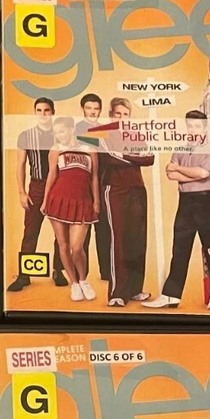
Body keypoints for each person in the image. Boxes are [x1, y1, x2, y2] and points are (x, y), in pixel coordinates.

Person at [144, 109, 210, 310]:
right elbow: (170, 174)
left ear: (204, 128)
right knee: (179, 250)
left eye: (197, 126)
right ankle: (171, 296)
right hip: (185, 202)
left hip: (207, 202)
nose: (193, 129)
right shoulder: (180, 147)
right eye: (190, 126)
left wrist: (181, 169)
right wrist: (192, 174)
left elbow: (204, 173)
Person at [9, 97, 68, 292]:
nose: (43, 114)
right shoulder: (26, 136)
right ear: (35, 112)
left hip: (60, 185)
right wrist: (22, 192)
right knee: (31, 230)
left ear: (53, 112)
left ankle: (58, 270)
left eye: (47, 110)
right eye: (39, 110)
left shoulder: (60, 134)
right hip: (37, 186)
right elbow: (20, 165)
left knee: (61, 231)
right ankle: (24, 275)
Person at [101, 98, 155, 306]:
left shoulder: (135, 135)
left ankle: (135, 290)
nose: (122, 118)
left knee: (138, 239)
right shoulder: (103, 133)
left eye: (125, 114)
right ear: (111, 115)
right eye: (118, 114)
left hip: (138, 189)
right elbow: (109, 159)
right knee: (119, 240)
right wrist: (134, 157)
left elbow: (150, 158)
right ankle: (117, 293)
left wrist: (125, 155)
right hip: (115, 189)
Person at [41, 117, 99, 303]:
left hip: (82, 201)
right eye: (56, 132)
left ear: (72, 129)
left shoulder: (89, 149)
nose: (59, 135)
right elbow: (52, 175)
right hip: (58, 199)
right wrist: (45, 200)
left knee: (77, 247)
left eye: (62, 131)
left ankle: (83, 280)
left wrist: (96, 201)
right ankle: (74, 283)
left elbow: (94, 177)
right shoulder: (56, 149)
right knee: (63, 245)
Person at [76, 92, 104, 280]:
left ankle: (106, 272)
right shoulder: (76, 129)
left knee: (104, 229)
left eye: (96, 108)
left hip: (104, 181)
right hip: (83, 182)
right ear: (83, 109)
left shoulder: (104, 129)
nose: (93, 112)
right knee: (80, 230)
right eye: (89, 108)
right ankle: (81, 274)